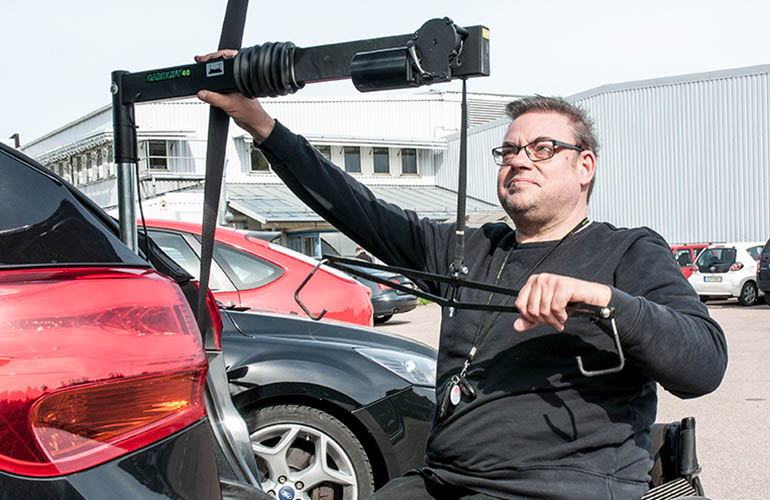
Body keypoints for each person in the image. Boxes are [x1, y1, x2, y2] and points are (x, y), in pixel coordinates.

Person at [196, 51, 727, 500]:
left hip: (560, 488)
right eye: (509, 151)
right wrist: (259, 123)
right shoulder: (466, 247)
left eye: (543, 149)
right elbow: (355, 208)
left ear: (585, 166)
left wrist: (603, 300)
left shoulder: (626, 250)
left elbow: (703, 363)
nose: (520, 160)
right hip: (446, 480)